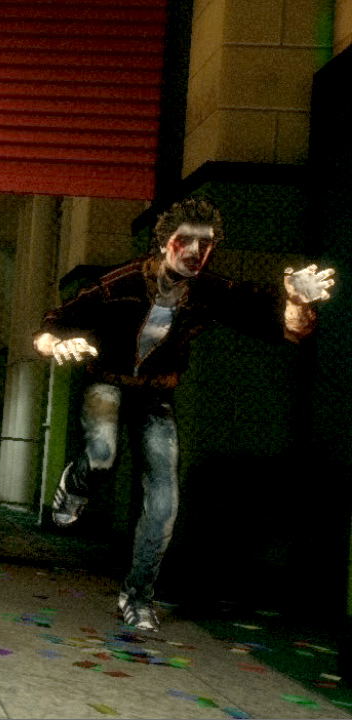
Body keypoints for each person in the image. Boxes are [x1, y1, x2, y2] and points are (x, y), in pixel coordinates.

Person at [37, 198, 335, 630]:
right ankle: (75, 484)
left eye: (205, 244)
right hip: (108, 382)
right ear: (164, 243)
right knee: (101, 454)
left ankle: (137, 597)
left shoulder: (212, 291)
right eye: (185, 241)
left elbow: (290, 330)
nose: (195, 252)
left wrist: (297, 302)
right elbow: (51, 324)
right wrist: (55, 344)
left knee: (164, 502)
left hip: (155, 395)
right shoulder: (120, 283)